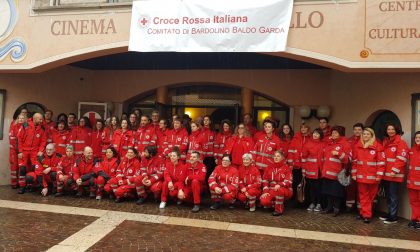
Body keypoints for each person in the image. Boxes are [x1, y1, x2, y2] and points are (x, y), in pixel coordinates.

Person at [351, 128, 384, 223]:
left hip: (373, 178)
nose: (365, 136)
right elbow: (355, 162)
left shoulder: (378, 147)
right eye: (364, 134)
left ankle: (363, 212)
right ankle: (366, 215)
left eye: (367, 134)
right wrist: (354, 173)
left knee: (371, 197)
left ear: (372, 136)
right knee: (363, 196)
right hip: (361, 176)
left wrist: (379, 176)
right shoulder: (358, 146)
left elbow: (381, 163)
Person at [380, 123, 409, 224]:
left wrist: (394, 171)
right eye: (389, 129)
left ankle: (393, 217)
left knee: (393, 196)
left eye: (392, 129)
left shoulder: (401, 143)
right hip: (386, 175)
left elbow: (401, 158)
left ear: (396, 130)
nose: (390, 131)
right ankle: (390, 213)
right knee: (388, 195)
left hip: (394, 175)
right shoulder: (386, 142)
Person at [321, 126, 351, 217]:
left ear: (340, 134)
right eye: (332, 133)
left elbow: (348, 160)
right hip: (327, 172)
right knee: (328, 192)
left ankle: (337, 208)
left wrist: (339, 154)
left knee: (336, 192)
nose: (333, 134)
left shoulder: (345, 144)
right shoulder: (330, 143)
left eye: (335, 133)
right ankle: (329, 207)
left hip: (337, 174)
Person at [17, 113, 47, 194]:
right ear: (35, 119)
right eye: (40, 119)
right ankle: (22, 187)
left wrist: (41, 150)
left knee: (35, 168)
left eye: (42, 119)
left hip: (35, 151)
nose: (41, 121)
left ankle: (33, 185)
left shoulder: (42, 129)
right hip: (24, 151)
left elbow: (43, 141)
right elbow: (19, 139)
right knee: (22, 169)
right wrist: (19, 151)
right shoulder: (25, 126)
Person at [260, 151, 293, 216]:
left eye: (278, 156)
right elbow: (265, 181)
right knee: (263, 201)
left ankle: (278, 210)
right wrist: (265, 191)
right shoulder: (269, 167)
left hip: (285, 190)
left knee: (279, 190)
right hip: (272, 190)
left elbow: (289, 181)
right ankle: (275, 204)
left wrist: (280, 185)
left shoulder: (287, 168)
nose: (276, 158)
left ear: (282, 158)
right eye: (275, 156)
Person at [288, 123, 311, 206]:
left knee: (305, 184)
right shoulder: (296, 138)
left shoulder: (311, 138)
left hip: (306, 166)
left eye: (305, 128)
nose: (303, 129)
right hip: (296, 165)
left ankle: (304, 201)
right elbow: (290, 151)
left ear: (308, 129)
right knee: (295, 183)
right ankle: (295, 201)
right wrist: (291, 163)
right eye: (302, 128)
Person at [301, 128, 324, 212]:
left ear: (320, 136)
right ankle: (312, 203)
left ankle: (319, 204)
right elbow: (303, 158)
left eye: (317, 134)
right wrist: (303, 170)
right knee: (311, 188)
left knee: (318, 188)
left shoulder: (323, 144)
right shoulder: (307, 144)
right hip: (309, 170)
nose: (315, 135)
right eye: (314, 133)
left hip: (319, 171)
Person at [345, 123, 364, 210]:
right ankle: (350, 205)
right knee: (350, 186)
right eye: (355, 130)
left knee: (361, 188)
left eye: (359, 130)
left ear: (362, 131)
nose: (357, 131)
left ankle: (360, 207)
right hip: (351, 166)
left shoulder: (365, 140)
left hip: (362, 167)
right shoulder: (349, 140)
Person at [9, 113, 27, 188]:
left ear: (25, 119)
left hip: (22, 150)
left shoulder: (26, 127)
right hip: (14, 150)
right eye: (19, 118)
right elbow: (12, 138)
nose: (21, 119)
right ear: (17, 119)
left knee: (22, 167)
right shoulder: (13, 126)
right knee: (14, 167)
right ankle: (14, 183)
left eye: (22, 118)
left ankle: (21, 183)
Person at [408, 131, 420, 229]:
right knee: (414, 201)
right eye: (416, 137)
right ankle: (414, 218)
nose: (418, 139)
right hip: (412, 182)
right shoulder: (411, 150)